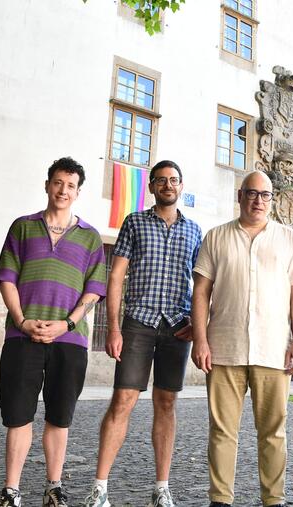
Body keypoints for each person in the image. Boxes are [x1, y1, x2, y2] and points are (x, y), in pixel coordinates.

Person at [81, 160, 201, 507]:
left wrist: (198, 323)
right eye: (161, 180)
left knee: (167, 404)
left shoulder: (194, 231)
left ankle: (161, 488)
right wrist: (114, 328)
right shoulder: (134, 222)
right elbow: (116, 276)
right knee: (123, 401)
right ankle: (99, 488)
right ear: (151, 187)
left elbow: (202, 283)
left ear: (181, 186)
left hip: (177, 327)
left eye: (174, 180)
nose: (168, 185)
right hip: (138, 323)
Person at [0, 157, 107, 507]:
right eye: (58, 182)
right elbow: (7, 279)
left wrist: (67, 323)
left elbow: (95, 289)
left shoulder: (90, 238)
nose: (63, 190)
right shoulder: (22, 227)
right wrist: (22, 320)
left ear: (78, 192)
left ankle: (53, 488)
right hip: (21, 336)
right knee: (18, 414)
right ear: (47, 185)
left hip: (69, 340)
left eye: (70, 185)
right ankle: (11, 491)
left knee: (59, 416)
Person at [191, 170, 293, 507]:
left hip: (273, 351)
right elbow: (201, 292)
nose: (258, 200)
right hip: (224, 348)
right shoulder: (216, 237)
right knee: (222, 431)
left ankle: (273, 500)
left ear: (271, 200)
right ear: (240, 196)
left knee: (273, 432)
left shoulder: (288, 238)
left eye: (265, 195)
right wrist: (200, 339)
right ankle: (220, 500)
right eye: (252, 193)